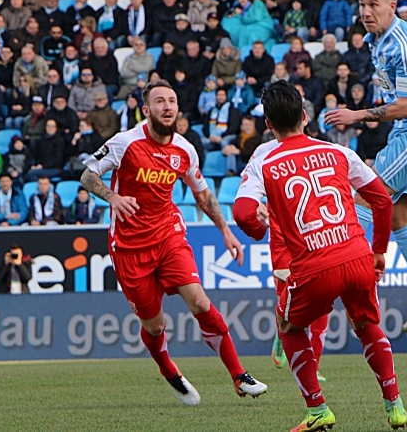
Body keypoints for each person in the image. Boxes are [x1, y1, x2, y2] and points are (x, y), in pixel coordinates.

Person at [232, 82, 407, 431]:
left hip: (314, 265)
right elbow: (382, 201)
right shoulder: (338, 152)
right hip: (357, 254)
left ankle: (317, 409)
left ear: (268, 124)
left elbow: (242, 213)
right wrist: (378, 252)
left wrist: (258, 229)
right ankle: (395, 405)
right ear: (304, 116)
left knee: (288, 327)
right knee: (367, 325)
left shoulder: (264, 158)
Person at [80, 79, 267, 404]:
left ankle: (238, 375)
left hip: (169, 235)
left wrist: (225, 230)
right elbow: (87, 175)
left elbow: (203, 195)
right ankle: (168, 369)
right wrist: (113, 197)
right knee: (155, 326)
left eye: (171, 101)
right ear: (146, 109)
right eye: (159, 101)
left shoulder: (185, 149)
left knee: (200, 302)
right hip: (129, 247)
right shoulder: (126, 143)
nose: (167, 106)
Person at [324, 0, 407, 331]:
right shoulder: (376, 39)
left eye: (373, 5)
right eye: (362, 5)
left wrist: (357, 115)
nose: (366, 12)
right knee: (398, 217)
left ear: (392, 6)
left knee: (365, 198)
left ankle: (350, 291)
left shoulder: (404, 45)